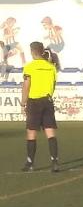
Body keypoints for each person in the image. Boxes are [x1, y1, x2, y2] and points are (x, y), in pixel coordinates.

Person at [21, 42, 61, 172]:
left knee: (31, 132)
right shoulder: (51, 67)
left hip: (34, 102)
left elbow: (27, 85)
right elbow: (54, 85)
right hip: (47, 100)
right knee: (50, 132)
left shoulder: (29, 67)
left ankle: (30, 163)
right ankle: (54, 162)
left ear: (32, 51)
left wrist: (23, 102)